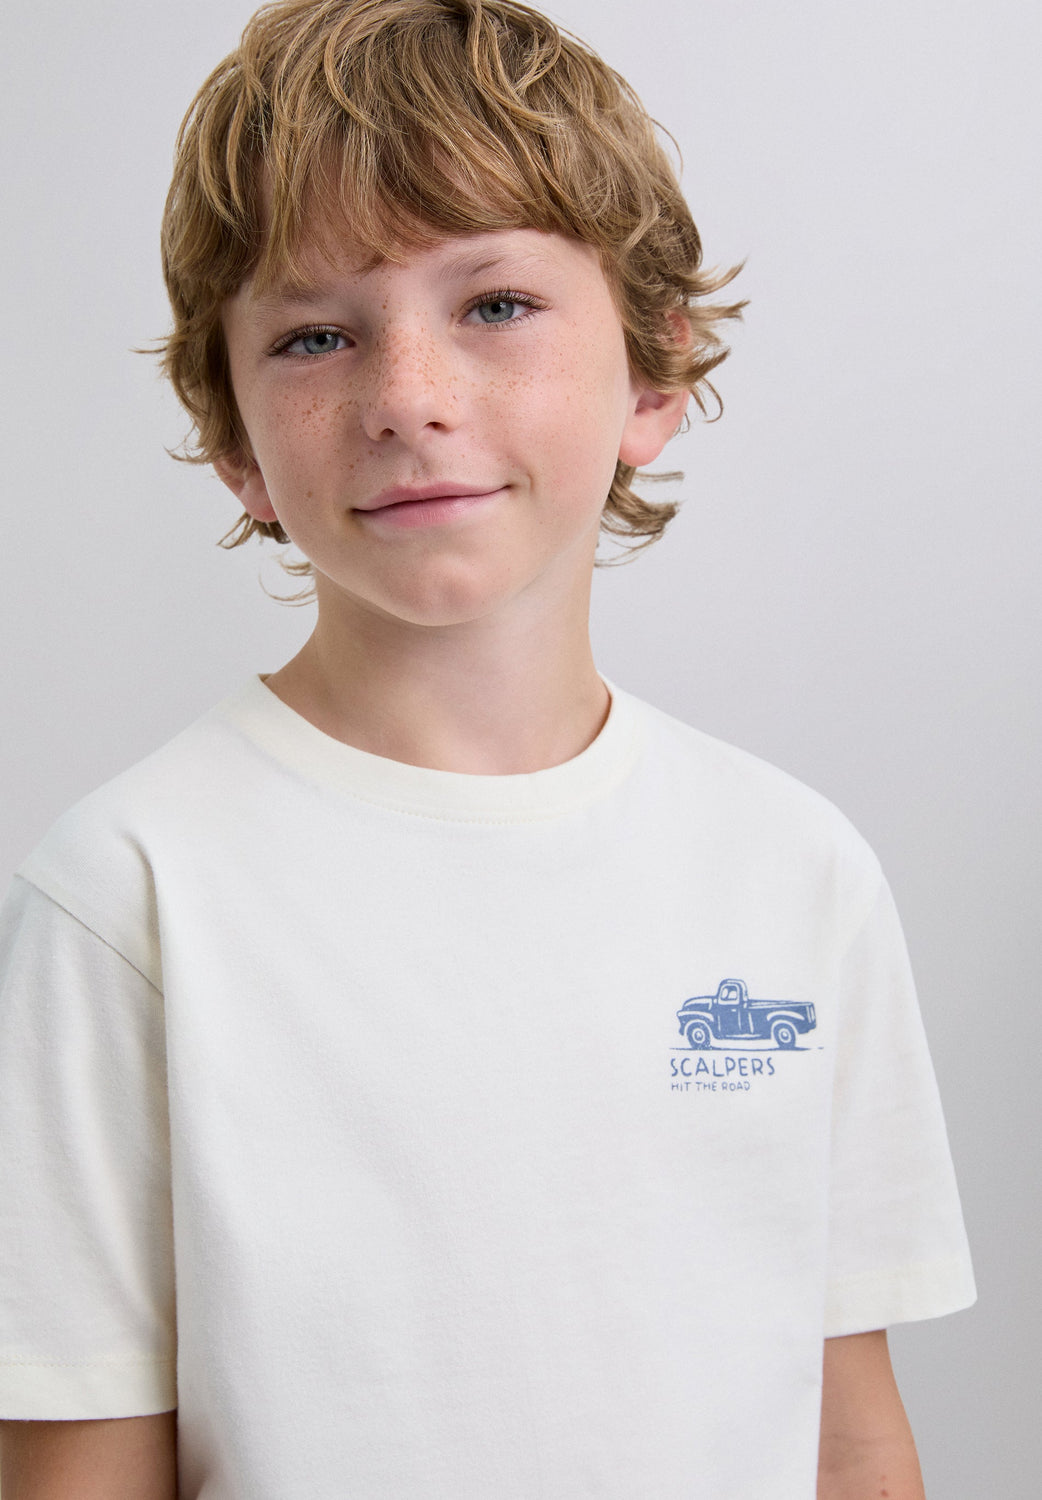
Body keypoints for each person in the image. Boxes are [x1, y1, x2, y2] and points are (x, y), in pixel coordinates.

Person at [0, 1, 975, 1496]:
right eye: (315, 336)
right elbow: (80, 1464)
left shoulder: (795, 871)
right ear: (237, 443)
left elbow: (847, 1431)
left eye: (497, 304)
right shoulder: (130, 896)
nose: (408, 398)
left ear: (653, 373)